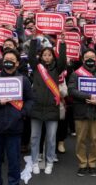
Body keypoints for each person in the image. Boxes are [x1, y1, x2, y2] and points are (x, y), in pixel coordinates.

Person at [0, 49, 34, 185]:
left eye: (12, 60)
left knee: (14, 161)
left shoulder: (23, 80)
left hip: (15, 127)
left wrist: (22, 113)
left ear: (17, 63)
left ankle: (14, 182)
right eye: (6, 59)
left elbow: (30, 100)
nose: (8, 62)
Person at [68, 49, 96, 177]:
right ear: (83, 59)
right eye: (87, 57)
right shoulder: (76, 74)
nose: (90, 60)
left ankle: (92, 163)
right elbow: (71, 90)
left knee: (95, 139)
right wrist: (88, 96)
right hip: (81, 111)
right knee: (80, 139)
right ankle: (82, 164)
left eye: (92, 57)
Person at [28, 32, 67, 175]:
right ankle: (34, 162)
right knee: (34, 138)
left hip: (52, 108)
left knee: (51, 139)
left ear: (52, 56)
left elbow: (62, 60)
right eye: (44, 55)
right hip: (37, 107)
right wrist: (33, 40)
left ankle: (49, 162)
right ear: (41, 56)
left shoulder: (57, 69)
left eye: (49, 55)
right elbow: (31, 56)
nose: (47, 57)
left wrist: (62, 44)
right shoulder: (37, 68)